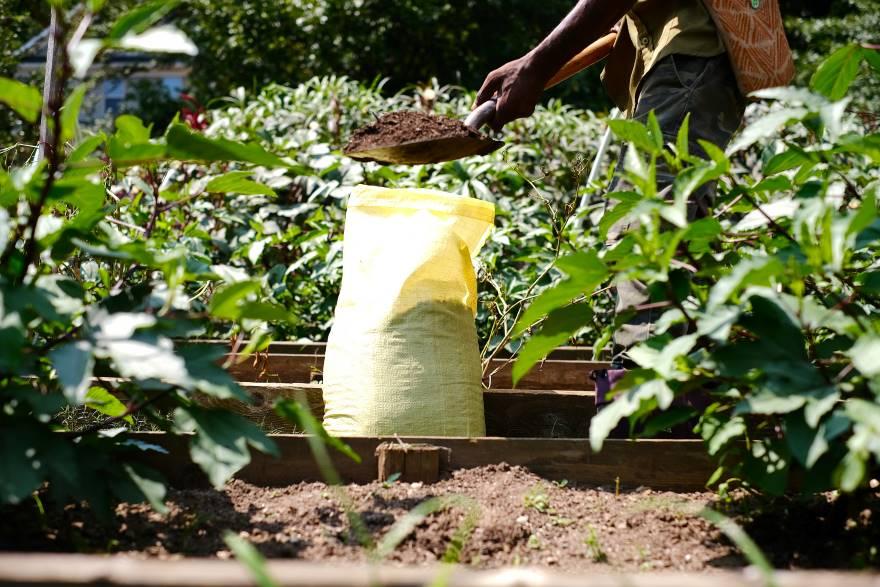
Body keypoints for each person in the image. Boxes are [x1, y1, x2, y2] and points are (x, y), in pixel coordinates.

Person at [474, 0, 795, 407]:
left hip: (691, 60)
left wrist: (535, 66)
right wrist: (533, 67)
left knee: (643, 224)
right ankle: (682, 383)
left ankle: (644, 392)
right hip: (696, 65)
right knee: (676, 227)